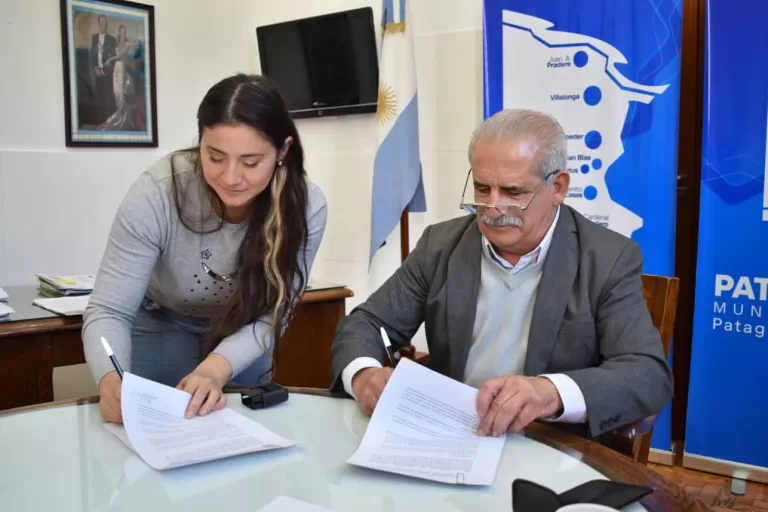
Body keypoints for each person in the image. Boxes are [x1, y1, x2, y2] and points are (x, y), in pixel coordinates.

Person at [330, 108, 672, 439]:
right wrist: (363, 375)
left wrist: (550, 392)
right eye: (482, 188)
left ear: (558, 188)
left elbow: (647, 374)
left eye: (513, 192)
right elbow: (364, 324)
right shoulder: (441, 245)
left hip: (551, 445)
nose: (493, 207)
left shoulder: (608, 258)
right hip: (453, 434)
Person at [83, 74, 327, 424]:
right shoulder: (158, 192)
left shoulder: (305, 207)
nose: (231, 177)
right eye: (215, 157)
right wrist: (110, 380)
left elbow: (275, 313)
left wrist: (215, 369)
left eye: (251, 162)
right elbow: (109, 309)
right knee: (155, 432)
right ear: (200, 144)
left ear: (282, 151)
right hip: (160, 322)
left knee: (242, 439)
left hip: (246, 335)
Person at [90, 15, 117, 124]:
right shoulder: (94, 37)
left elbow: (114, 57)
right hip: (97, 72)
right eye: (101, 22)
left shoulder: (112, 39)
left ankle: (109, 121)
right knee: (99, 97)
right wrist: (95, 68)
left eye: (104, 23)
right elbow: (92, 55)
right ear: (98, 24)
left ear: (106, 24)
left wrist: (108, 65)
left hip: (107, 72)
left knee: (108, 96)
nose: (103, 25)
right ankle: (100, 122)